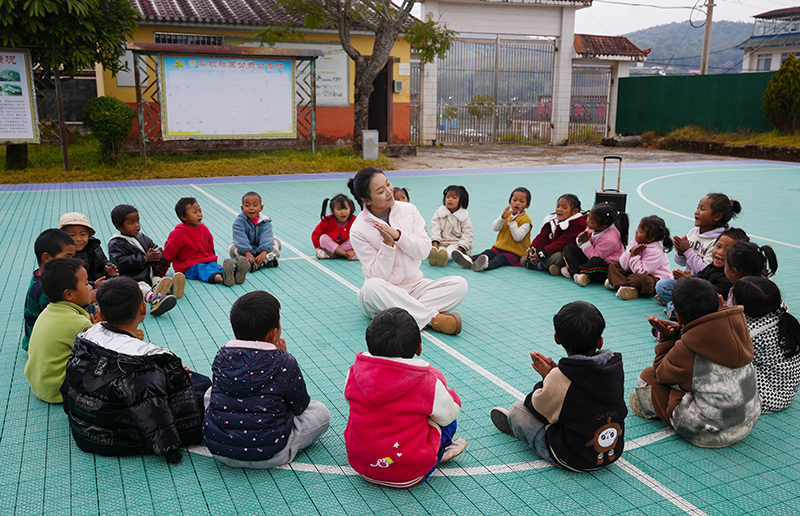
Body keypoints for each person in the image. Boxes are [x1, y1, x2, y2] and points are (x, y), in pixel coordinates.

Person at [61, 277, 208, 464]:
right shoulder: (142, 364)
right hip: (120, 438)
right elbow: (153, 412)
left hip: (84, 429)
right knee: (203, 386)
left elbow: (68, 385)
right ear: (143, 308)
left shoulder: (85, 340)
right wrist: (170, 450)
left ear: (101, 314)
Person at [490, 301, 626, 471]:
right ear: (600, 341)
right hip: (612, 449)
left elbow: (536, 407)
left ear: (557, 338)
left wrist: (548, 378)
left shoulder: (559, 378)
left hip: (572, 457)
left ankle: (520, 429)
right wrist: (556, 375)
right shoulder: (614, 367)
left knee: (518, 410)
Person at [203, 291, 330, 468]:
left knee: (211, 392)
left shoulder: (222, 356)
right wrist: (284, 357)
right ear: (273, 333)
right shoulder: (285, 362)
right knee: (321, 412)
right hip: (272, 453)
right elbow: (300, 406)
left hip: (221, 450)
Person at [631, 277, 761, 448]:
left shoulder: (687, 349)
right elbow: (706, 335)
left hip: (712, 434)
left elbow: (661, 374)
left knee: (648, 377)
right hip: (748, 422)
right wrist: (681, 331)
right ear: (719, 301)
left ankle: (650, 406)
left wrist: (666, 340)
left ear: (678, 316)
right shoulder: (738, 327)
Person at [344, 308, 466, 488]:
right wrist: (449, 393)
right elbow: (450, 415)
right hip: (411, 474)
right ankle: (439, 452)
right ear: (419, 348)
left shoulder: (354, 372)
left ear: (369, 343)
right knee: (446, 421)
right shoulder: (428, 381)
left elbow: (350, 401)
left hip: (361, 465)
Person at [349, 167, 468, 335]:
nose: (389, 192)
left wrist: (399, 237)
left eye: (388, 184)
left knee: (459, 285)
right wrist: (387, 245)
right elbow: (378, 275)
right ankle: (433, 319)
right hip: (385, 292)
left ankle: (404, 315)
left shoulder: (409, 210)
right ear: (366, 200)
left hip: (416, 287)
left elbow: (424, 251)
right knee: (370, 288)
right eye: (380, 191)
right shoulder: (358, 229)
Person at [24, 258, 100, 403]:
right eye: (86, 284)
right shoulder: (77, 322)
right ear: (69, 295)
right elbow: (102, 349)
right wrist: (101, 328)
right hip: (59, 390)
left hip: (40, 385)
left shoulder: (47, 312)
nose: (90, 288)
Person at [655, 193, 741, 309]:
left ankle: (677, 307)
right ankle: (679, 305)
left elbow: (705, 269)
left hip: (704, 288)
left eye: (702, 209)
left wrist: (687, 251)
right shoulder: (693, 232)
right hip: (690, 281)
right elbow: (681, 262)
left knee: (696, 300)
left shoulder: (720, 242)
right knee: (663, 285)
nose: (697, 212)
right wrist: (680, 252)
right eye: (698, 207)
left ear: (717, 216)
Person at [733, 277, 800, 413]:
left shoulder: (753, 334)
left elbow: (729, 356)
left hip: (770, 397)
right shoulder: (778, 309)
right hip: (784, 390)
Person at [108, 204, 181, 317]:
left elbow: (154, 246)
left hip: (148, 273)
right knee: (140, 288)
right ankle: (154, 299)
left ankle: (170, 287)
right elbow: (122, 262)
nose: (137, 225)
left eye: (137, 221)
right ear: (119, 227)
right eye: (131, 223)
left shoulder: (141, 237)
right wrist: (144, 259)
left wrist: (157, 254)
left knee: (157, 280)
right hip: (133, 277)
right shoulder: (115, 243)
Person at [659, 228, 749, 319]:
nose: (720, 252)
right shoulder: (712, 266)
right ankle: (677, 308)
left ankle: (676, 311)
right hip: (695, 296)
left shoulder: (730, 275)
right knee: (663, 285)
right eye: (718, 246)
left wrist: (691, 283)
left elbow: (711, 296)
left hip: (705, 304)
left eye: (728, 250)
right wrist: (686, 280)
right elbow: (700, 277)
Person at [162, 197, 243, 287]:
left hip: (207, 260)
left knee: (215, 267)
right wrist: (161, 269)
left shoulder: (203, 228)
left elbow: (210, 247)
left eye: (200, 211)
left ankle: (235, 275)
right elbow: (168, 253)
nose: (199, 214)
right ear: (183, 217)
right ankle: (222, 279)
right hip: (189, 266)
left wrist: (214, 260)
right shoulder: (177, 234)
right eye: (195, 212)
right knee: (203, 270)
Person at [452, 187, 532, 272]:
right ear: (510, 201)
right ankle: (468, 260)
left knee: (500, 258)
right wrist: (502, 219)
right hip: (500, 247)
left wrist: (513, 223)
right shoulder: (506, 214)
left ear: (527, 205)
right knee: (488, 253)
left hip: (515, 253)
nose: (517, 203)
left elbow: (518, 237)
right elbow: (495, 228)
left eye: (522, 201)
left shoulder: (526, 221)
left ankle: (485, 266)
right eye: (514, 200)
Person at [22, 229, 76, 351]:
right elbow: (60, 319)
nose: (72, 262)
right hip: (40, 344)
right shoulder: (42, 289)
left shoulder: (47, 277)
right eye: (67, 257)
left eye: (73, 257)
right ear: (46, 258)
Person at [606, 216, 672, 300]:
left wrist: (634, 255)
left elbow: (641, 272)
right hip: (634, 272)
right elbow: (623, 264)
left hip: (652, 278)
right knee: (614, 265)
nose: (636, 232)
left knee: (641, 280)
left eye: (640, 231)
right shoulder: (636, 241)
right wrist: (630, 252)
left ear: (650, 239)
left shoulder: (656, 251)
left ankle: (620, 283)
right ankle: (623, 287)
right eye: (638, 228)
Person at [561, 202, 628, 287]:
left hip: (605, 266)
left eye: (591, 221)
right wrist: (580, 240)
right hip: (590, 256)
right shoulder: (593, 226)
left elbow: (595, 257)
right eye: (588, 217)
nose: (587, 221)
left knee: (595, 263)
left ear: (603, 227)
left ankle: (574, 270)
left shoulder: (609, 239)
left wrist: (584, 243)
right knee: (569, 248)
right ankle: (577, 274)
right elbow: (581, 244)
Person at [523, 194, 587, 276]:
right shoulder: (552, 220)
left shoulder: (577, 223)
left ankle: (539, 265)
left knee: (558, 256)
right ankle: (549, 265)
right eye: (558, 206)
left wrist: (545, 252)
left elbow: (563, 243)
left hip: (567, 254)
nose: (559, 210)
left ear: (574, 211)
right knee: (529, 257)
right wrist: (534, 248)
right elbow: (543, 236)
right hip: (551, 250)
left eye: (564, 208)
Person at [59, 212, 118, 282]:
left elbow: (102, 261)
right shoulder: (61, 254)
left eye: (83, 234)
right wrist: (93, 285)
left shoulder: (94, 248)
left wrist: (108, 268)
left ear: (88, 235)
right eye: (72, 235)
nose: (78, 239)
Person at [230, 191, 281, 271]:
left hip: (262, 251)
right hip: (247, 253)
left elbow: (267, 237)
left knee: (276, 241)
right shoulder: (239, 222)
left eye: (255, 205)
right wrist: (247, 253)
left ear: (261, 208)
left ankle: (263, 261)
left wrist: (264, 252)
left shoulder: (265, 221)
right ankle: (253, 263)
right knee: (232, 248)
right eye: (247, 205)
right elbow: (240, 238)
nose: (251, 208)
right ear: (242, 208)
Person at [428, 185, 473, 267]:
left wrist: (461, 248)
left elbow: (468, 233)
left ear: (461, 201)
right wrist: (435, 243)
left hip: (456, 243)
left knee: (451, 251)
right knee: (440, 250)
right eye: (448, 197)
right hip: (442, 242)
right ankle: (434, 256)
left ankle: (445, 257)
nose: (450, 199)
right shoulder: (439, 213)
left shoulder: (463, 216)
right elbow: (435, 228)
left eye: (454, 198)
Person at [724, 241, 779, 305]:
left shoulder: (741, 295)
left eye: (725, 266)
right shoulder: (766, 286)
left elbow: (734, 310)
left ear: (734, 271)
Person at [312, 194, 358, 260]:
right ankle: (345, 254)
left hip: (346, 246)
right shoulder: (327, 221)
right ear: (332, 211)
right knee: (323, 238)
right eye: (339, 209)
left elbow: (363, 237)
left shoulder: (355, 221)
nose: (343, 212)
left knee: (355, 238)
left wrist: (354, 251)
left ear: (350, 209)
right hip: (331, 246)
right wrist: (326, 250)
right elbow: (316, 236)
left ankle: (336, 254)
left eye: (346, 208)